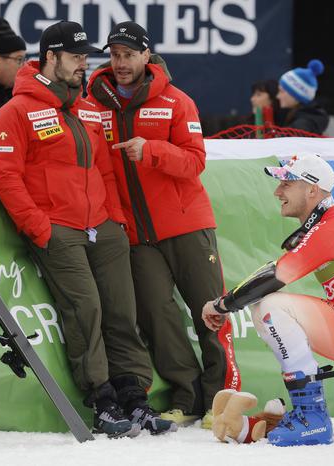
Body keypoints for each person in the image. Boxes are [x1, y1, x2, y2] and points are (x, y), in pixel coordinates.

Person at [0, 21, 175, 438]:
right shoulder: (13, 112)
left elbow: (104, 168)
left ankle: (135, 397)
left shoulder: (86, 108)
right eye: (75, 58)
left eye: (86, 58)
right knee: (86, 311)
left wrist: (116, 221)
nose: (83, 65)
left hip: (103, 228)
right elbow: (5, 178)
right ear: (50, 58)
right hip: (59, 230)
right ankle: (103, 400)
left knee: (122, 312)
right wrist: (40, 228)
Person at [86, 21, 240, 428]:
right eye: (114, 55)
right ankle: (188, 397)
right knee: (157, 317)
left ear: (145, 56)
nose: (120, 63)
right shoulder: (93, 103)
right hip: (135, 236)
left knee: (209, 312)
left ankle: (222, 399)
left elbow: (195, 161)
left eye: (128, 55)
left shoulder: (176, 101)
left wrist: (151, 150)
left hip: (186, 226)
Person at [202, 153, 334, 446]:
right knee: (272, 304)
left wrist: (221, 305)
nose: (277, 192)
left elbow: (276, 274)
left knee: (271, 305)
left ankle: (311, 416)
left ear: (312, 190)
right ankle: (303, 414)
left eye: (287, 183)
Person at [274, 60, 329, 134]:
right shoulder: (293, 115)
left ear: (295, 96)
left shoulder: (303, 125)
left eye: (281, 91)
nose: (278, 96)